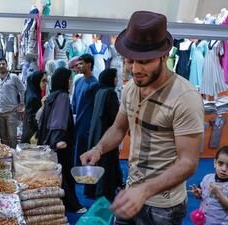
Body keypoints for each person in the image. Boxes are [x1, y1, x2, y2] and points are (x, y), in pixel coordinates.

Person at [80, 11, 204, 224]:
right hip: (131, 194)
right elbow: (119, 128)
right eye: (130, 61)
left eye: (144, 61)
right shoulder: (131, 89)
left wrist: (145, 191)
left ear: (164, 56)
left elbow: (188, 162)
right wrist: (98, 149)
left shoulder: (185, 97)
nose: (135, 69)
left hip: (164, 206)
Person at [37, 67, 86, 213]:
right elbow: (59, 120)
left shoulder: (52, 95)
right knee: (63, 173)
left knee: (57, 173)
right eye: (69, 79)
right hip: (61, 144)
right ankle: (73, 205)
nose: (71, 81)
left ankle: (61, 202)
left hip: (51, 142)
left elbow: (42, 120)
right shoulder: (63, 96)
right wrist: (58, 140)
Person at [84, 68, 123, 201]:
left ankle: (92, 189)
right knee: (107, 163)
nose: (117, 80)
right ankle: (104, 193)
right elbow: (115, 118)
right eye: (115, 77)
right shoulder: (110, 93)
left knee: (98, 162)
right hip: (107, 133)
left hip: (97, 132)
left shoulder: (100, 92)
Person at [190, 146, 228, 225]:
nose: (224, 169)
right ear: (215, 163)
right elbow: (202, 196)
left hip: (220, 222)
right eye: (220, 163)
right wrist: (198, 194)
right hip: (202, 220)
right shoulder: (207, 178)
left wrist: (218, 194)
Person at [0, 57, 25, 148]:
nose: (1, 66)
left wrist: (21, 104)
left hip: (12, 112)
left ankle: (14, 158)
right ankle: (6, 159)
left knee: (12, 137)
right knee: (3, 137)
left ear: (6, 65)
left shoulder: (13, 77)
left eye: (3, 64)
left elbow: (23, 90)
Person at [72, 53, 99, 166]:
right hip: (78, 121)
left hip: (88, 123)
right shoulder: (78, 81)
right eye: (78, 64)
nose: (78, 66)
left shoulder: (95, 84)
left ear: (89, 64)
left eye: (81, 64)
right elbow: (74, 101)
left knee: (86, 151)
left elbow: (96, 107)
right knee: (77, 149)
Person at [21, 70, 47, 143]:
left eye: (46, 81)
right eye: (43, 81)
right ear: (37, 80)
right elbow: (33, 121)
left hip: (29, 134)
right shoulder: (33, 98)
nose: (45, 84)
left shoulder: (32, 93)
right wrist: (43, 107)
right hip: (31, 137)